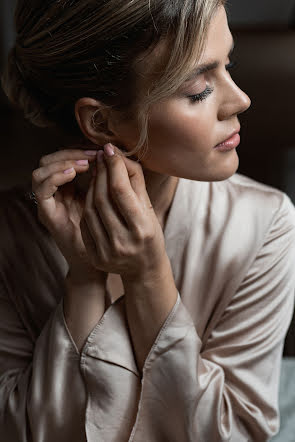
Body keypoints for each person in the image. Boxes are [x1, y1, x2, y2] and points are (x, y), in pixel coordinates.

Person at [1, 1, 295, 441]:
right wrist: (84, 282)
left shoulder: (265, 224)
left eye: (228, 64)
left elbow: (236, 433)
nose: (240, 99)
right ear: (101, 121)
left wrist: (149, 276)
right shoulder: (10, 236)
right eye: (198, 89)